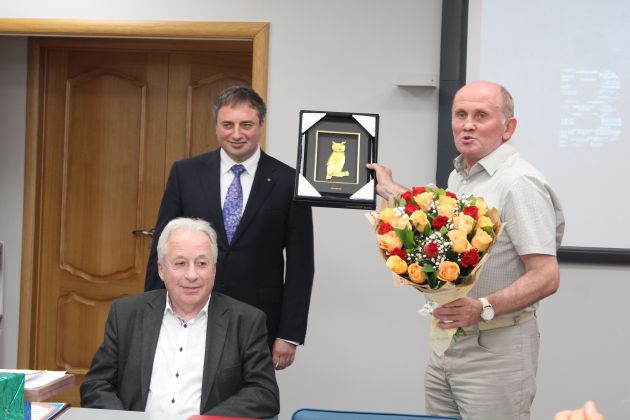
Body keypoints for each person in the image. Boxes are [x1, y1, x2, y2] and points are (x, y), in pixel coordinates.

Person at [368, 81, 565, 419]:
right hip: (447, 344)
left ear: (508, 128)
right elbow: (437, 222)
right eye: (461, 115)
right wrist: (390, 189)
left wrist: (484, 307)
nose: (468, 125)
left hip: (495, 347)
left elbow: (546, 276)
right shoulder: (461, 175)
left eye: (481, 115)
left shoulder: (519, 182)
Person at [144, 86, 315, 371]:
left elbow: (301, 265)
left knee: (251, 395)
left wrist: (289, 334)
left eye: (246, 125)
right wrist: (150, 313)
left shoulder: (290, 182)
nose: (236, 134)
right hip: (189, 311)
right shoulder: (185, 173)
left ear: (261, 124)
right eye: (227, 125)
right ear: (216, 126)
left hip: (259, 319)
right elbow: (160, 249)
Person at [81, 217, 279, 418]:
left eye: (202, 263)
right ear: (161, 270)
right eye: (180, 263)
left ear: (214, 269)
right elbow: (96, 384)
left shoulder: (246, 322)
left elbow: (264, 392)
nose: (192, 275)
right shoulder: (127, 314)